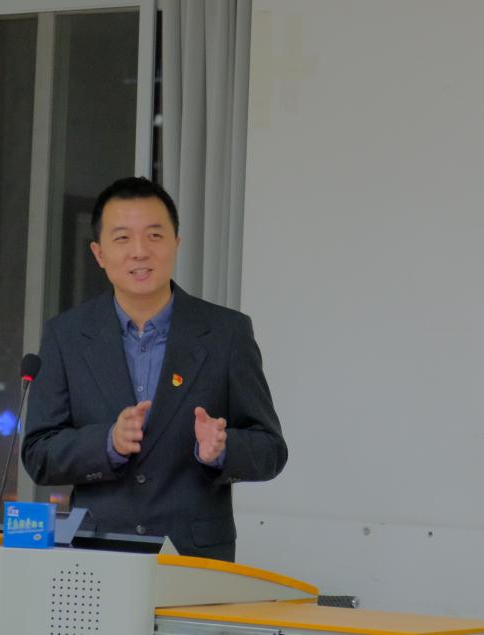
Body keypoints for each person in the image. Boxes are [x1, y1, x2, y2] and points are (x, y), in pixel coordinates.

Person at [21, 176, 287, 561]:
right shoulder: (66, 336)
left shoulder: (226, 333)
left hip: (195, 558)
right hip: (96, 555)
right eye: (122, 238)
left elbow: (271, 449)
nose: (140, 252)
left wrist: (222, 448)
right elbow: (39, 454)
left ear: (176, 243)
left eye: (154, 236)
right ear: (99, 253)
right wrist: (107, 442)